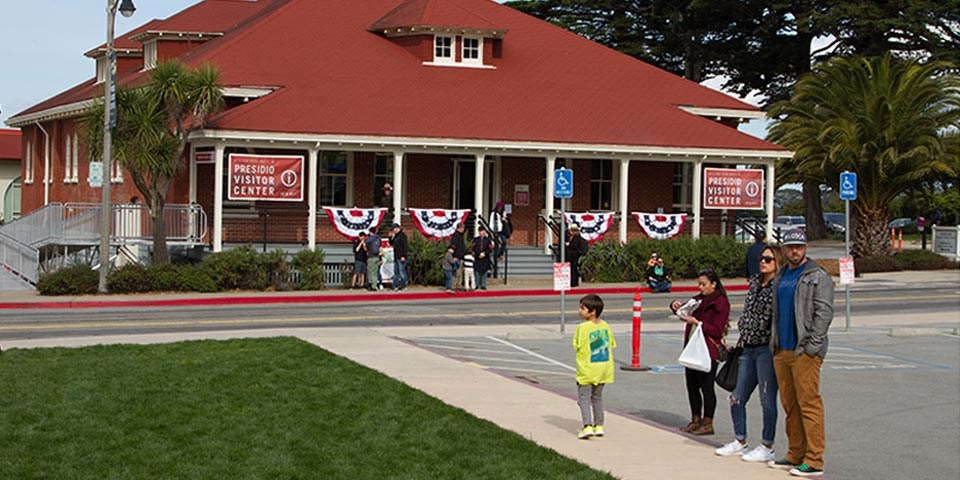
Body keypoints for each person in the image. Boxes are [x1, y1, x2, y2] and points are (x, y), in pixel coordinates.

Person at [769, 229, 834, 477]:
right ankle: (795, 453)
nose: (794, 251)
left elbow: (824, 313)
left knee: (809, 404)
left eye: (799, 246)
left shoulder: (817, 276)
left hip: (804, 351)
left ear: (806, 248)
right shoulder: (782, 274)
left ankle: (814, 459)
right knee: (790, 405)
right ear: (783, 249)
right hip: (782, 349)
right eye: (790, 247)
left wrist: (812, 346)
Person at [715, 245, 782, 462]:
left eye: (768, 259)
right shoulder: (754, 283)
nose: (763, 262)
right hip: (747, 346)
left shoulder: (778, 286)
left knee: (767, 399)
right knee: (736, 396)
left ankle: (767, 445)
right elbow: (748, 311)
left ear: (777, 263)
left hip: (765, 349)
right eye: (762, 258)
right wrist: (741, 334)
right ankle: (740, 440)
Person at [670, 269, 730, 436]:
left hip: (708, 350)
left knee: (707, 387)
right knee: (692, 386)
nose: (701, 287)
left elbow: (717, 330)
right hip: (692, 348)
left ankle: (707, 422)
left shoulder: (720, 302)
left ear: (713, 284)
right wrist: (676, 306)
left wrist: (698, 323)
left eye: (704, 284)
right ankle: (695, 419)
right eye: (699, 284)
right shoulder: (697, 300)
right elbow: (684, 309)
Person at [572, 294, 616, 439]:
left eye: (582, 308)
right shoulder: (605, 326)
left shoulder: (582, 328)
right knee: (597, 398)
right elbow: (612, 344)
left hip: (587, 370)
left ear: (592, 312)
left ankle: (587, 426)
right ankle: (599, 425)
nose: (579, 310)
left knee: (584, 398)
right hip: (603, 369)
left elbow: (577, 345)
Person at [389, 223, 408, 291]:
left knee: (402, 272)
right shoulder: (396, 236)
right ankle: (395, 285)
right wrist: (390, 237)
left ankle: (404, 285)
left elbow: (405, 246)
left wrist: (403, 255)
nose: (393, 230)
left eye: (394, 229)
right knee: (396, 272)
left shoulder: (402, 236)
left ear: (398, 228)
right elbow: (391, 243)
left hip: (401, 256)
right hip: (396, 256)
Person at [449, 222, 467, 290]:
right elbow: (454, 246)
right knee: (456, 272)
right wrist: (454, 256)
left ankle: (459, 285)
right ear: (460, 228)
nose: (464, 229)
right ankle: (454, 286)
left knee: (460, 272)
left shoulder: (460, 236)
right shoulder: (456, 236)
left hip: (461, 256)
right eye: (463, 228)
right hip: (457, 257)